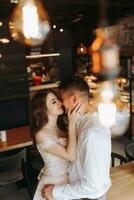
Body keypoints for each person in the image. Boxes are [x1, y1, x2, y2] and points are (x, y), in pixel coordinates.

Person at [42, 76, 111, 200]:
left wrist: (55, 192)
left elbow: (93, 187)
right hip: (76, 191)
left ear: (74, 99)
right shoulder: (79, 121)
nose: (61, 104)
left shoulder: (92, 133)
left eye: (62, 99)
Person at [30, 89, 84, 200]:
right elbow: (71, 156)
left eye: (58, 100)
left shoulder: (62, 127)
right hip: (53, 183)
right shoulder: (41, 135)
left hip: (70, 179)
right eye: (54, 102)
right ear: (43, 109)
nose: (60, 103)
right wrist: (72, 123)